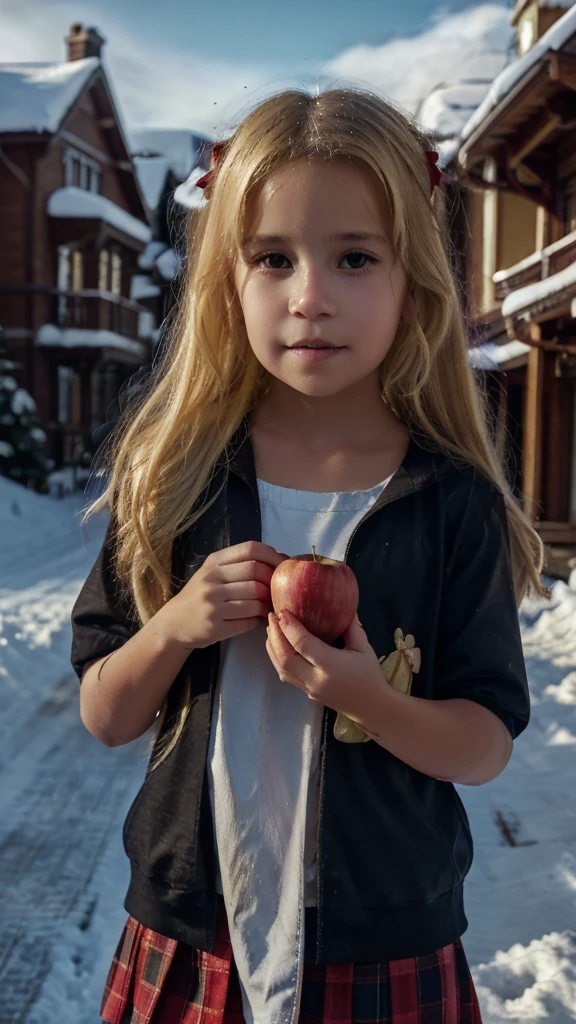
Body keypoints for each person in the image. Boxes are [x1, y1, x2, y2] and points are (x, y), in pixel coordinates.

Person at [71, 88, 545, 1024]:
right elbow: (104, 713)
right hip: (188, 946)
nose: (311, 297)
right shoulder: (181, 481)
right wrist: (174, 626)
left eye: (355, 258)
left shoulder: (449, 503)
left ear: (414, 284)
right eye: (273, 258)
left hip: (385, 949)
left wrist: (369, 698)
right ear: (227, 279)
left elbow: (485, 744)